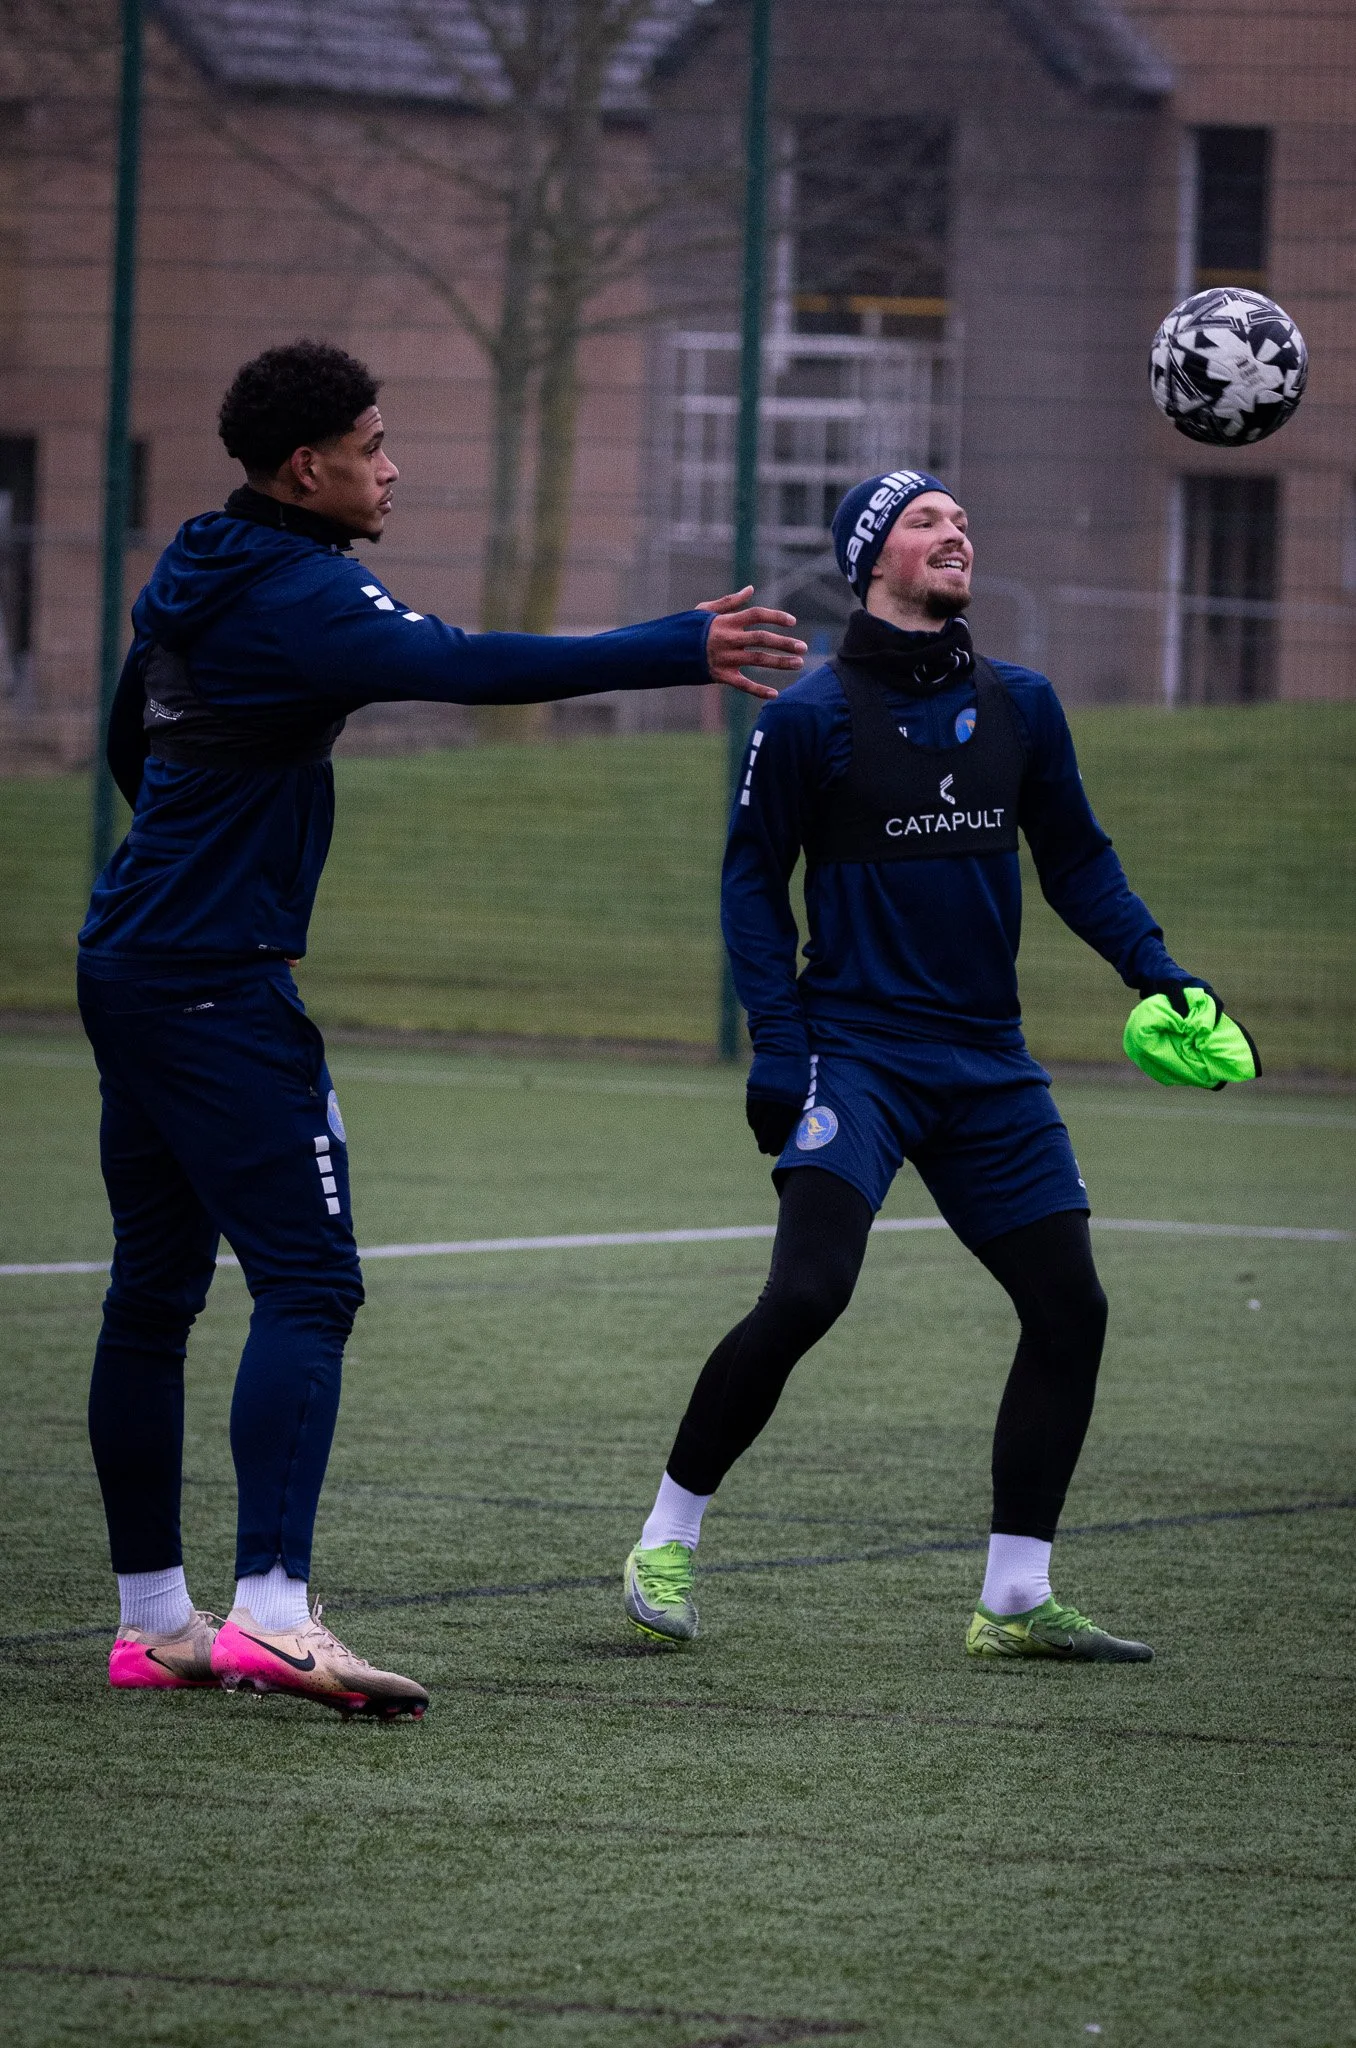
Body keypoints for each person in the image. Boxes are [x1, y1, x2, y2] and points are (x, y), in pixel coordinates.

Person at [83, 338, 805, 1718]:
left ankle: (151, 1623)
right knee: (310, 1284)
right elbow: (465, 668)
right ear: (311, 468)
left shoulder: (192, 565)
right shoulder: (303, 590)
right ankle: (276, 1616)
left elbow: (134, 740)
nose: (392, 465)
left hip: (131, 959)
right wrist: (679, 644)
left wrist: (205, 844)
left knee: (155, 1295)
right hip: (215, 985)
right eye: (371, 443)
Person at [623, 467, 1250, 1664]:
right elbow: (752, 887)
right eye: (927, 521)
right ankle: (667, 1534)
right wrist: (780, 1045)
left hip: (987, 1064)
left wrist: (1160, 972)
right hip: (855, 1053)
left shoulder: (1022, 703)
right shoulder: (805, 717)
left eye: (963, 518)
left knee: (1071, 1307)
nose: (957, 531)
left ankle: (1016, 1596)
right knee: (808, 1293)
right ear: (874, 558)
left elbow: (1079, 862)